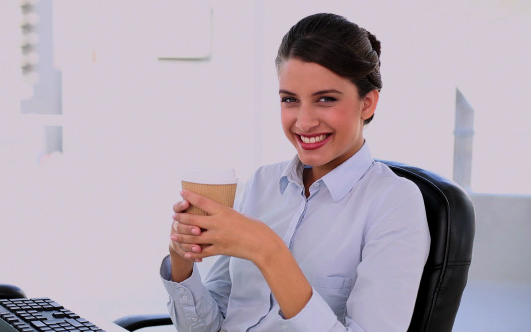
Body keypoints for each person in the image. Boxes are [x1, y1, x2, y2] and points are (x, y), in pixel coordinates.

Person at [160, 13, 430, 332]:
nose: (303, 122)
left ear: (367, 104)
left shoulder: (395, 203)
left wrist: (268, 251)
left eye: (325, 99)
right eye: (290, 100)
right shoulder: (263, 183)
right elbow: (209, 326)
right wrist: (181, 260)